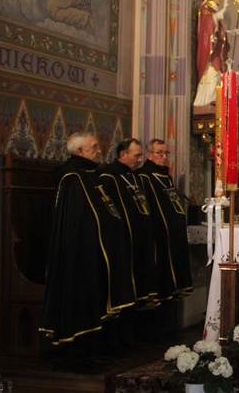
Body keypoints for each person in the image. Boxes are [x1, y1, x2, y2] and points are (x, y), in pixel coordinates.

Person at [40, 132, 135, 372]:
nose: (98, 150)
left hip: (96, 252)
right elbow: (77, 220)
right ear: (79, 151)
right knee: (81, 303)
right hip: (79, 255)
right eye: (93, 147)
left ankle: (90, 352)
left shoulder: (90, 176)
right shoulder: (72, 178)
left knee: (97, 303)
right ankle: (76, 357)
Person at [100, 138, 156, 305]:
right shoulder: (109, 177)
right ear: (122, 154)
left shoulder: (136, 177)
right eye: (136, 155)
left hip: (140, 238)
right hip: (123, 240)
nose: (140, 160)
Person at [136, 139, 192, 301]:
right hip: (158, 234)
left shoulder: (165, 176)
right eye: (159, 153)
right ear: (149, 155)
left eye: (165, 153)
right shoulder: (144, 176)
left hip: (172, 234)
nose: (163, 156)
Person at [193, 0, 232, 106]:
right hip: (209, 49)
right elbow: (209, 23)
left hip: (217, 50)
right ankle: (205, 100)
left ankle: (214, 97)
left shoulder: (213, 10)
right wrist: (224, 9)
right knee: (212, 72)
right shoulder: (205, 8)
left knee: (218, 73)